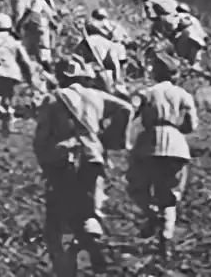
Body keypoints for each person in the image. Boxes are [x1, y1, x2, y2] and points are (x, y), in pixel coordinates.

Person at [33, 56, 133, 276]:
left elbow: (41, 137)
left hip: (64, 160)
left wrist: (44, 161)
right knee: (88, 209)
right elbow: (126, 108)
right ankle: (96, 252)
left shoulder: (53, 98)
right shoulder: (97, 96)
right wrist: (113, 139)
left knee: (57, 215)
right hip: (93, 157)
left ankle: (65, 267)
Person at [127, 50, 198, 259]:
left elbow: (129, 112)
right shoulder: (183, 95)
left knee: (137, 186)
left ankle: (152, 215)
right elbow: (192, 125)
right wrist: (177, 128)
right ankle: (165, 239)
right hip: (176, 147)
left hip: (148, 144)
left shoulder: (146, 93)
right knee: (169, 196)